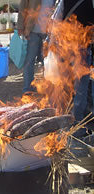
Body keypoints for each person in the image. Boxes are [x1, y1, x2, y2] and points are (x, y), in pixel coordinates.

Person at [54, 0, 94, 137]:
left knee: (65, 88)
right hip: (81, 51)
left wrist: (53, 44)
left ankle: (61, 125)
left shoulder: (65, 1)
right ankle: (76, 129)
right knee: (80, 91)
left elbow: (56, 21)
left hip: (64, 48)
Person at [17, 0, 56, 94]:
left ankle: (49, 87)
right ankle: (28, 88)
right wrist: (20, 26)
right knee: (30, 61)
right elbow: (23, 7)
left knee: (47, 62)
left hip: (48, 33)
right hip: (33, 31)